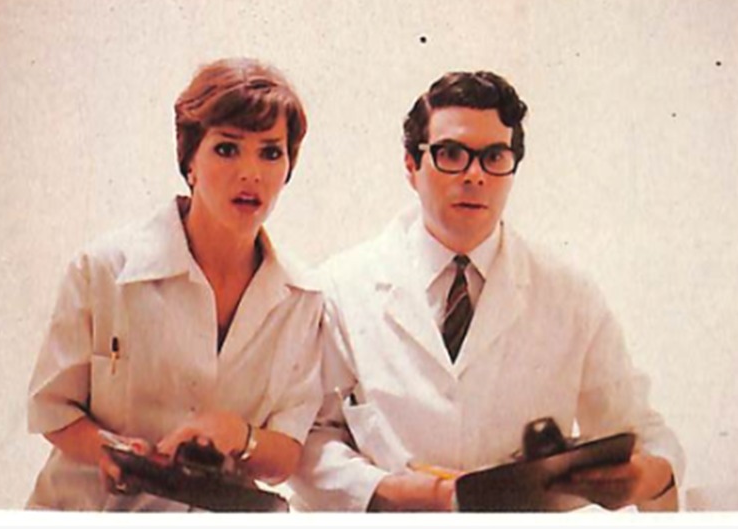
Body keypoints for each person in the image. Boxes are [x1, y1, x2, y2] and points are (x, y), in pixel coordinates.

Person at [288, 70, 684, 512]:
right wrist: (392, 492)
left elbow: (643, 432)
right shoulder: (341, 287)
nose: (475, 176)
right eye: (451, 154)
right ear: (411, 166)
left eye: (494, 156)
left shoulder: (570, 293)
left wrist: (643, 477)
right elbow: (308, 438)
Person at [26, 58, 323, 511]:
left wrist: (238, 435)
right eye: (227, 149)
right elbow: (52, 410)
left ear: (288, 168)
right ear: (190, 162)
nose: (251, 173)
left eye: (270, 152)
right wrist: (110, 451)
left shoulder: (303, 297)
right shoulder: (103, 269)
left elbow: (285, 454)